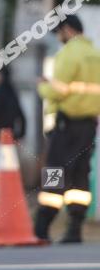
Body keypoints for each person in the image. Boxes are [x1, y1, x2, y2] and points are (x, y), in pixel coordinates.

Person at [35, 14, 100, 243]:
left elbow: (59, 91)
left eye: (58, 33)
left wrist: (43, 87)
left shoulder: (69, 54)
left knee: (55, 171)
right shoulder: (95, 54)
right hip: (89, 125)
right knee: (81, 175)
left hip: (66, 125)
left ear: (68, 29)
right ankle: (75, 229)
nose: (58, 38)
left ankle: (41, 227)